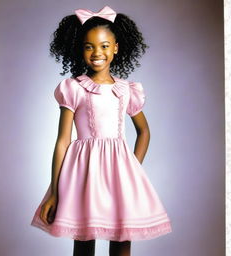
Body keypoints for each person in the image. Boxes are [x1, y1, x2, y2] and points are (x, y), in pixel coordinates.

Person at [31, 6, 172, 256]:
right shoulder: (73, 88)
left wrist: (133, 169)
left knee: (122, 240)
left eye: (105, 46)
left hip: (120, 177)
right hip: (84, 176)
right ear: (80, 49)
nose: (97, 52)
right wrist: (54, 190)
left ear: (116, 48)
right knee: (84, 241)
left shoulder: (126, 89)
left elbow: (144, 131)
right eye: (89, 46)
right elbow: (63, 140)